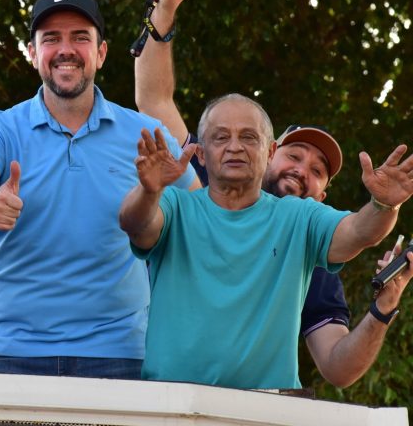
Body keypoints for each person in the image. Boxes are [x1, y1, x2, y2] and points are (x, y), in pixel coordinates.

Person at [132, 0, 413, 387]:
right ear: (271, 152)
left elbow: (339, 368)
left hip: (261, 407)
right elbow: (153, 98)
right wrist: (163, 13)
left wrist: (383, 302)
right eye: (295, 155)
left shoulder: (310, 246)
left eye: (318, 171)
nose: (302, 170)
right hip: (170, 401)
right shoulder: (191, 183)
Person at [0, 0, 210, 379]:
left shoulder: (146, 134)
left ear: (102, 52)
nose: (65, 49)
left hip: (121, 354)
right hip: (14, 352)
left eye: (80, 37)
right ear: (33, 54)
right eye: (50, 38)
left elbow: (201, 226)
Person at [119, 93, 413, 389]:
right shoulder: (175, 204)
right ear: (201, 154)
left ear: (270, 151)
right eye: (221, 137)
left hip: (266, 409)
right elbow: (135, 224)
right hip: (172, 403)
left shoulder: (301, 217)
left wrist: (384, 205)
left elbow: (360, 231)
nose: (235, 147)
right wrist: (149, 190)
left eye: (249, 137)